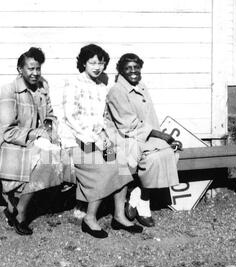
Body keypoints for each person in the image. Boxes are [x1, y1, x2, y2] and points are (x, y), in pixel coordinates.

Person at [60, 44, 141, 238]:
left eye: (101, 63)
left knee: (121, 163)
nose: (97, 67)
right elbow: (71, 117)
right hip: (78, 140)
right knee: (104, 167)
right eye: (92, 62)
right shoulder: (73, 84)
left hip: (99, 138)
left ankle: (119, 216)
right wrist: (93, 139)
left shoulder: (102, 87)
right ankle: (89, 218)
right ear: (84, 63)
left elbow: (104, 120)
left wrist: (107, 139)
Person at [0, 47, 63, 236]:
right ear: (20, 69)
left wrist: (47, 131)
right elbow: (7, 131)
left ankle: (15, 208)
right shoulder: (10, 90)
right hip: (11, 144)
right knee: (41, 162)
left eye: (38, 68)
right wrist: (36, 134)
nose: (35, 73)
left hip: (35, 141)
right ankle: (20, 212)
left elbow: (50, 115)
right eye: (30, 68)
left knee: (57, 157)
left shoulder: (42, 87)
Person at [106, 53, 182, 227]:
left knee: (170, 152)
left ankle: (137, 196)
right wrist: (161, 136)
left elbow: (150, 118)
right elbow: (128, 125)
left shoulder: (141, 86)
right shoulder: (117, 91)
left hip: (143, 136)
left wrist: (163, 140)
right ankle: (144, 204)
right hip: (124, 139)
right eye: (128, 68)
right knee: (153, 157)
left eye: (136, 67)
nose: (133, 71)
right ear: (121, 71)